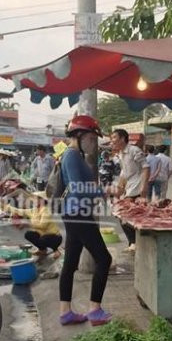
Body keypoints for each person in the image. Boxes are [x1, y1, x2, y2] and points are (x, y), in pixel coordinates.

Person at [58, 115, 113, 327]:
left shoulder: (74, 155)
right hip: (78, 215)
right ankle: (94, 309)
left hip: (74, 214)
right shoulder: (72, 156)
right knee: (104, 259)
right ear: (79, 135)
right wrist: (101, 192)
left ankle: (65, 313)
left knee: (70, 263)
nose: (94, 142)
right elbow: (78, 189)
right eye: (92, 137)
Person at [109, 128, 149, 252]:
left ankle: (135, 243)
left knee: (125, 215)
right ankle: (135, 243)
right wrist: (119, 188)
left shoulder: (134, 150)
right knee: (126, 217)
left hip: (136, 188)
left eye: (114, 137)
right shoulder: (120, 154)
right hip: (129, 188)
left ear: (122, 138)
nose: (112, 140)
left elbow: (146, 168)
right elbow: (124, 173)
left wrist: (144, 187)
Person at [5, 192, 62, 258]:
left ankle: (56, 250)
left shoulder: (46, 211)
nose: (33, 201)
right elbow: (22, 211)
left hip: (55, 237)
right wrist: (8, 207)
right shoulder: (34, 210)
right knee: (29, 234)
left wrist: (28, 224)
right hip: (43, 235)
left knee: (43, 239)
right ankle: (42, 250)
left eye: (35, 199)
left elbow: (42, 226)